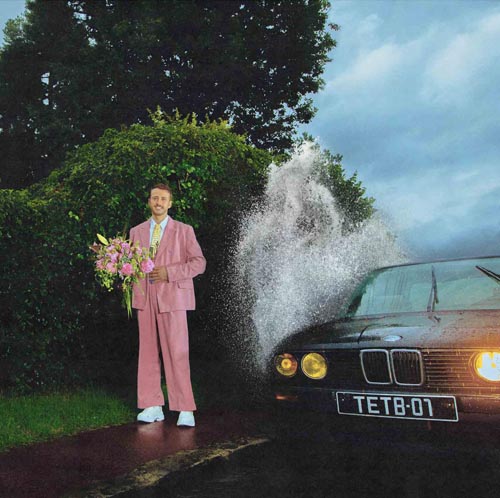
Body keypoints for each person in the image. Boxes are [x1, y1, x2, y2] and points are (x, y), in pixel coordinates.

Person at [130, 183, 206, 426]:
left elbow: (199, 263)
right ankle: (152, 406)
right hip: (145, 297)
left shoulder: (184, 230)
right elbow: (131, 264)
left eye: (163, 199)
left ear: (170, 203)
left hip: (173, 296)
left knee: (177, 352)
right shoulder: (136, 231)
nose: (158, 202)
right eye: (155, 198)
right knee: (148, 352)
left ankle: (185, 408)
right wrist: (112, 261)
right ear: (149, 201)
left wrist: (169, 273)